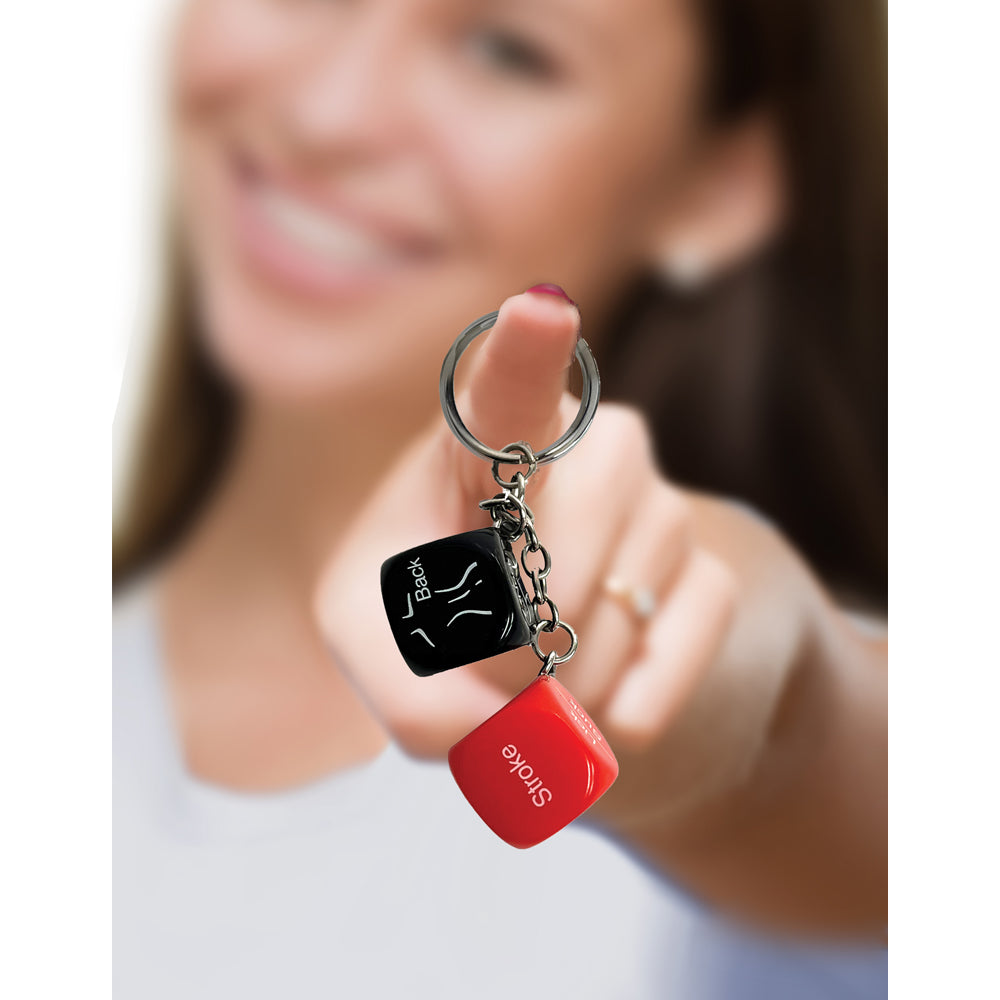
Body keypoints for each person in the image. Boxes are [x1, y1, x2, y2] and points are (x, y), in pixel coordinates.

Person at [113, 0, 887, 997]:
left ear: (723, 177)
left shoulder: (723, 635)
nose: (328, 114)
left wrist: (731, 683)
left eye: (508, 51)